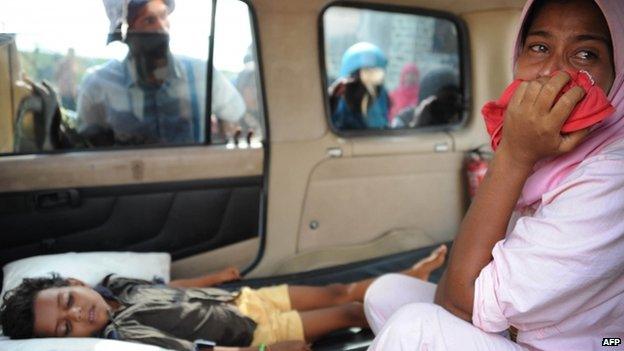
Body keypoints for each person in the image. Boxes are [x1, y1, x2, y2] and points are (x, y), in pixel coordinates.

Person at [364, 0, 624, 350]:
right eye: (540, 47)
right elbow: (458, 293)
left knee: (414, 330)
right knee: (386, 293)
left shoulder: (613, 173)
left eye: (585, 55)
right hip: (516, 326)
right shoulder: (544, 151)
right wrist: (517, 153)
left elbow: (459, 300)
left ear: (618, 73)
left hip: (589, 344)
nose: (553, 72)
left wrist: (514, 155)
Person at [0, 246, 448, 351]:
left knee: (338, 289)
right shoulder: (125, 334)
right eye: (66, 327)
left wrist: (219, 275)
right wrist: (270, 350)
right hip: (256, 332)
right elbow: (198, 350)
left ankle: (409, 278)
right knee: (350, 311)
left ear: (75, 282)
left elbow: (173, 290)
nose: (78, 314)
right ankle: (425, 329)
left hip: (243, 300)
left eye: (67, 301)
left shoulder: (118, 287)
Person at [76, 0, 245, 146]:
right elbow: (88, 149)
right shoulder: (98, 85)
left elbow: (235, 119)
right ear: (125, 33)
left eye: (163, 16)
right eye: (149, 20)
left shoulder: (202, 74)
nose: (162, 28)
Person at [329, 42, 390, 130]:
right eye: (358, 81)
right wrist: (331, 99)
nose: (366, 90)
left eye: (373, 81)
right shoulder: (334, 108)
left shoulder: (382, 101)